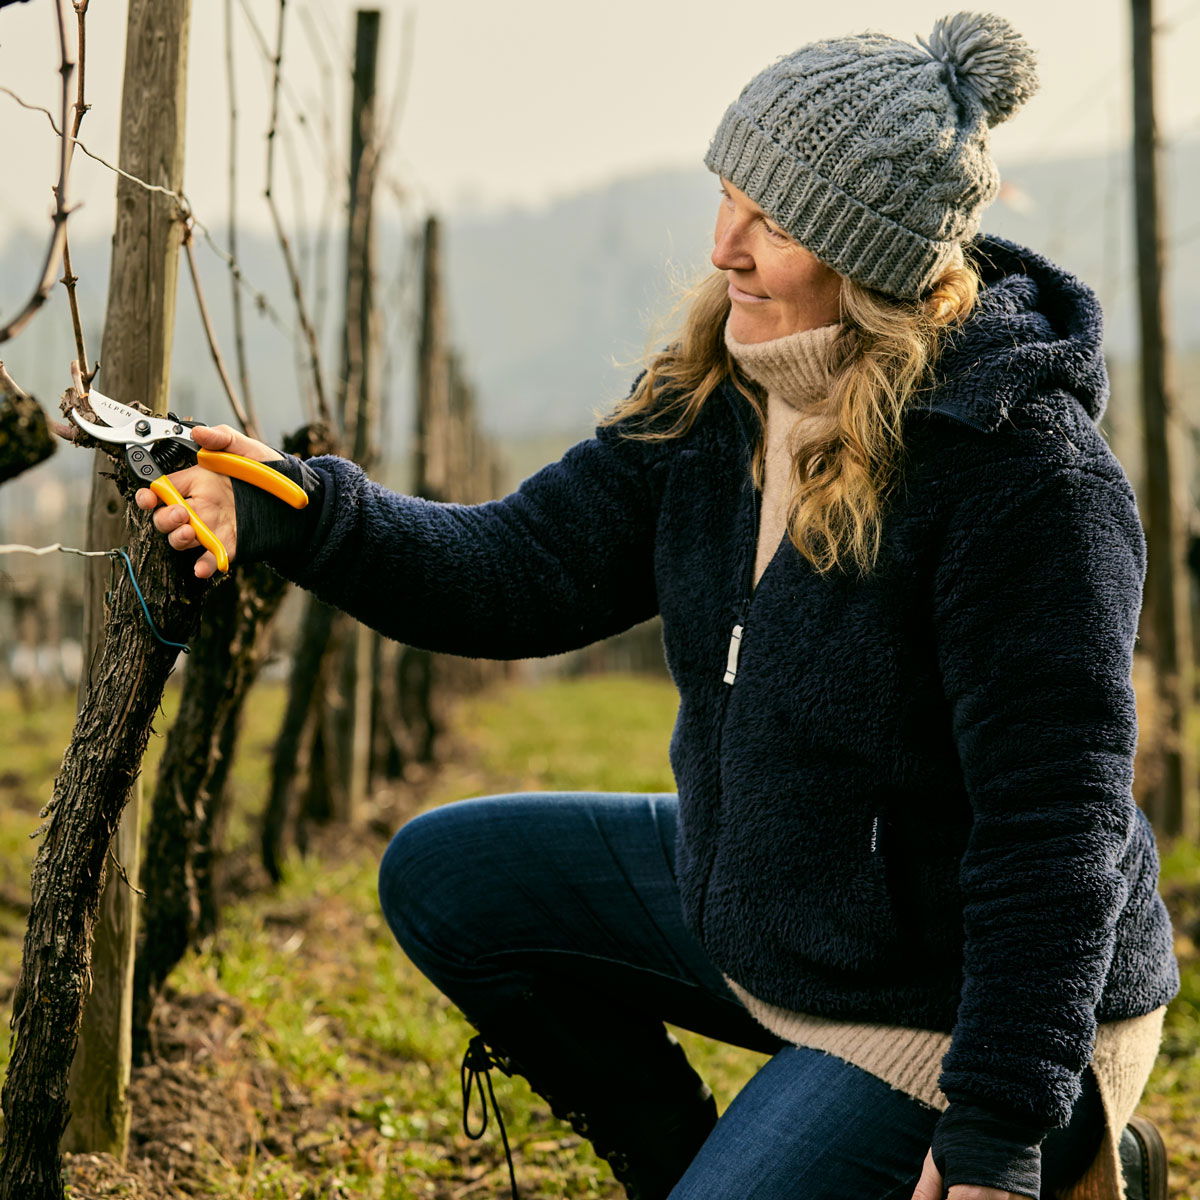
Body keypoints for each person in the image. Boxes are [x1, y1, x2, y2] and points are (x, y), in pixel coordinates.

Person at [136, 11, 1179, 1200]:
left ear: (869, 259)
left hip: (951, 1008)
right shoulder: (718, 403)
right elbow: (512, 570)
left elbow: (1055, 829)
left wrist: (998, 1125)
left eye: (773, 221)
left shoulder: (1024, 480)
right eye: (726, 193)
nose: (725, 246)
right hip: (780, 905)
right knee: (448, 878)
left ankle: (1083, 1154)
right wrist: (291, 511)